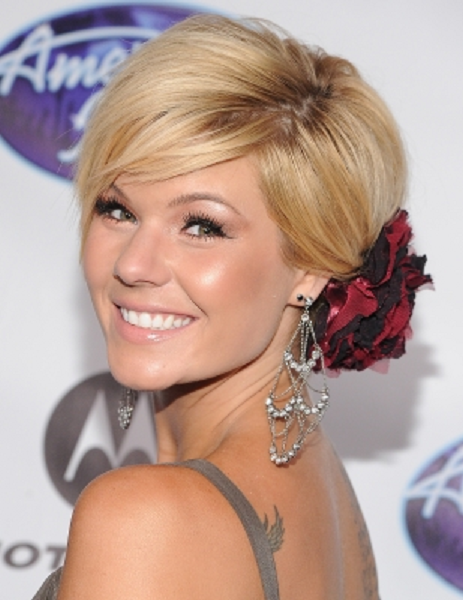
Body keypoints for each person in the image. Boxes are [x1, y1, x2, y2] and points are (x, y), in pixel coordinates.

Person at [33, 14, 431, 600]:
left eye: (201, 226)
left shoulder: (141, 520)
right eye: (118, 209)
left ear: (311, 268)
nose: (133, 264)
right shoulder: (316, 477)